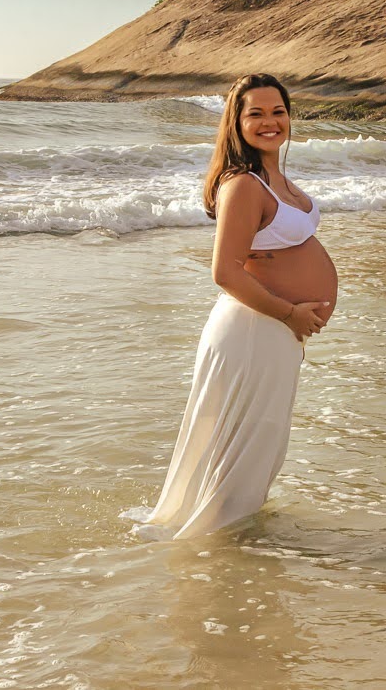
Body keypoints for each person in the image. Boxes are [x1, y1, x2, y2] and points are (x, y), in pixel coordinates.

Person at [133, 73, 338, 540]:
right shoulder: (243, 186)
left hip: (272, 329)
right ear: (236, 122)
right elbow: (224, 272)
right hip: (254, 326)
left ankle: (233, 537)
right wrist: (289, 313)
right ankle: (216, 538)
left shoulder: (277, 179)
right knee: (243, 438)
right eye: (256, 113)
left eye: (278, 111)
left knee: (260, 437)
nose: (270, 121)